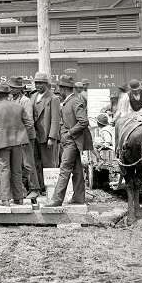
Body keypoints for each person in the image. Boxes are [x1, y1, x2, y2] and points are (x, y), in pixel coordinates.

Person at [50, 78, 92, 207]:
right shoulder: (70, 101)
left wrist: (70, 133)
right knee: (77, 170)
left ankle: (57, 200)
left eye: (59, 90)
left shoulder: (74, 102)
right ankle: (79, 198)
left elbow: (84, 121)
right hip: (71, 141)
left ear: (63, 89)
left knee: (64, 170)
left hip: (72, 142)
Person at [0, 83, 33, 206]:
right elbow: (29, 123)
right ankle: (18, 198)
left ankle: (5, 199)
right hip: (18, 142)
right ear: (8, 94)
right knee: (17, 170)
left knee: (4, 170)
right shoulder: (18, 107)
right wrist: (22, 134)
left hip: (3, 143)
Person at [10, 77, 39, 198]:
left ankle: (35, 188)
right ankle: (24, 188)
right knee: (19, 164)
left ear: (20, 89)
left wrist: (22, 136)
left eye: (13, 88)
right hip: (16, 136)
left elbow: (29, 121)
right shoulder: (12, 100)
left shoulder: (25, 101)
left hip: (26, 136)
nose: (11, 89)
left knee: (28, 163)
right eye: (10, 87)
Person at [31, 71, 62, 175]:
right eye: (37, 83)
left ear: (46, 84)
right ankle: (41, 188)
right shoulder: (33, 97)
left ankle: (50, 189)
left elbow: (55, 119)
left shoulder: (53, 98)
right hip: (35, 135)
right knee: (36, 163)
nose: (38, 85)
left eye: (41, 83)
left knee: (48, 164)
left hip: (46, 137)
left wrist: (52, 137)